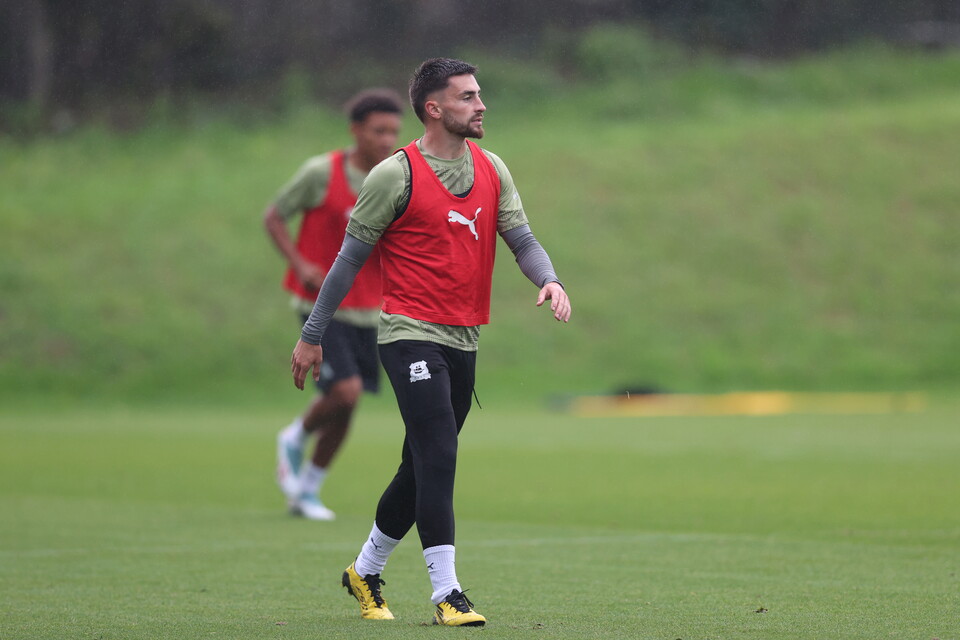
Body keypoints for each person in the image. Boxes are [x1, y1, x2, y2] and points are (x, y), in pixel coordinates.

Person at [290, 58, 572, 626]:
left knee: (420, 465)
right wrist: (312, 334)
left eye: (479, 94)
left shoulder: (493, 168)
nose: (481, 104)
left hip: (463, 338)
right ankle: (448, 593)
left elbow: (522, 238)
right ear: (435, 108)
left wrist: (549, 278)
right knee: (440, 451)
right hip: (407, 334)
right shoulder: (395, 175)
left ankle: (364, 570)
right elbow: (347, 263)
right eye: (467, 96)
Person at [264, 89, 403, 520]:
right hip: (321, 301)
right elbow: (274, 215)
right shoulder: (320, 172)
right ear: (356, 130)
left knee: (349, 402)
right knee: (346, 389)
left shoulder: (397, 177)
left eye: (394, 132)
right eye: (378, 130)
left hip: (370, 308)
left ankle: (307, 490)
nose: (386, 139)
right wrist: (300, 262)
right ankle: (294, 435)